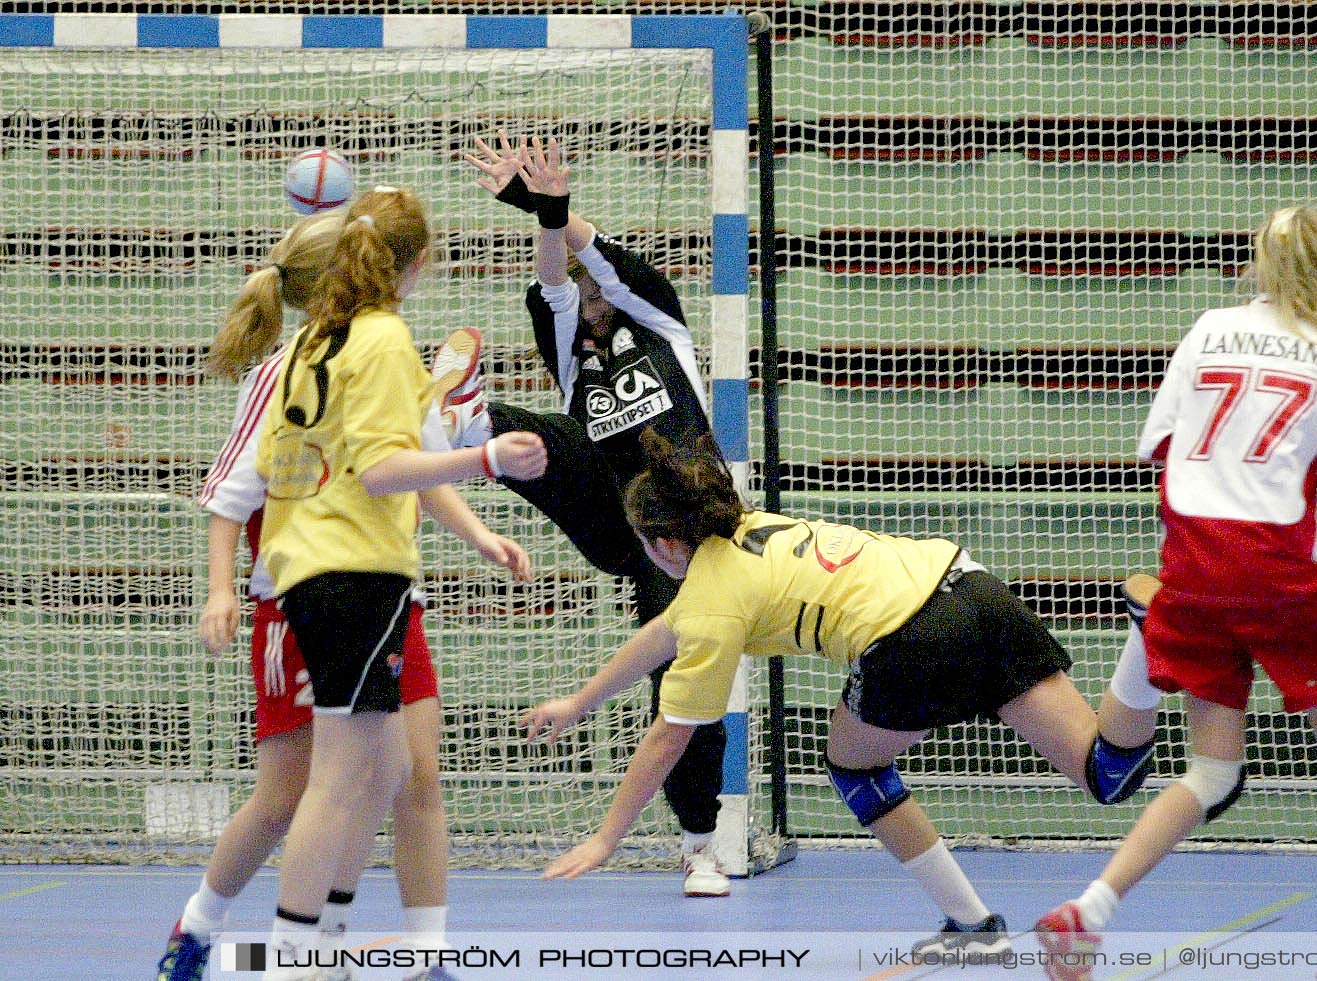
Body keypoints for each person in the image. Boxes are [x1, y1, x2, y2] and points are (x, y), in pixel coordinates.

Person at [523, 428, 1120, 957]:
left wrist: (606, 838)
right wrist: (581, 702)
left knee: (854, 766)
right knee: (1106, 771)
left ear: (665, 546)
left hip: (910, 637)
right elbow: (664, 631)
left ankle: (972, 924)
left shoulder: (710, 600)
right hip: (969, 583)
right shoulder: (750, 527)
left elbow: (666, 738)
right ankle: (1144, 651)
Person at [1037, 205, 1317, 981]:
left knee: (1211, 771)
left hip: (1190, 564)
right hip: (1276, 567)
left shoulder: (1209, 324)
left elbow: (1156, 442)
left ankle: (1090, 909)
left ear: (1261, 262)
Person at [156, 210, 532, 981]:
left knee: (403, 771)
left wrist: (481, 536)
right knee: (294, 793)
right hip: (306, 588)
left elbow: (416, 463)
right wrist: (221, 587)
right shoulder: (298, 365)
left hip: (388, 586)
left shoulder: (382, 354)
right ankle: (211, 932)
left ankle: (405, 952)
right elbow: (239, 490)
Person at [448, 133, 731, 896]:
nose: (593, 301)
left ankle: (699, 844)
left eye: (600, 290)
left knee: (682, 680)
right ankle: (464, 424)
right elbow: (555, 275)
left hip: (686, 530)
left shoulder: (663, 327)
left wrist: (551, 205)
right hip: (613, 513)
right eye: (585, 295)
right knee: (549, 432)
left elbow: (595, 255)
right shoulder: (575, 348)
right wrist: (544, 223)